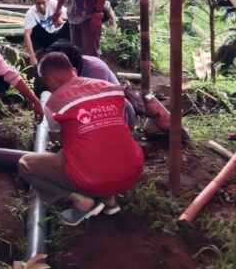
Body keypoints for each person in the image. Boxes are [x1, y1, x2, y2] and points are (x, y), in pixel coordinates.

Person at [18, 53, 144, 226]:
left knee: (25, 164)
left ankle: (80, 201)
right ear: (74, 70)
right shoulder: (110, 88)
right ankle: (109, 200)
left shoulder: (55, 102)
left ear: (49, 79)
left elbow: (62, 141)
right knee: (104, 141)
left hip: (93, 177)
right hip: (133, 170)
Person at [44, 41, 141, 130]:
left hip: (118, 116)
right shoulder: (68, 72)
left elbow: (97, 106)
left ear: (72, 69)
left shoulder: (96, 70)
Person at [23, 0, 70, 67]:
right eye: (38, 4)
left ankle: (69, 47)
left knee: (69, 24)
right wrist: (32, 56)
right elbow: (27, 34)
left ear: (48, 1)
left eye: (44, 3)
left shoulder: (54, 4)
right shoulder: (30, 13)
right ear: (34, 2)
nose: (41, 6)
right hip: (44, 37)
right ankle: (39, 50)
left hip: (59, 34)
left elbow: (70, 16)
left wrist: (60, 17)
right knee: (31, 28)